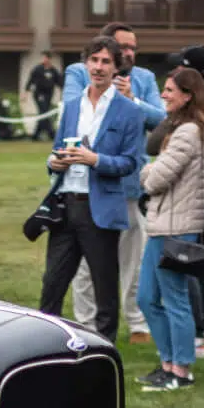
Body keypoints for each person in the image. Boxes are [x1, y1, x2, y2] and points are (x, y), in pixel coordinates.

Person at [41, 35, 146, 341]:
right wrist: (54, 161)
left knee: (105, 288)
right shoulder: (72, 107)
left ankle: (104, 350)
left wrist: (95, 160)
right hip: (65, 204)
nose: (99, 67)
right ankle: (46, 346)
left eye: (106, 62)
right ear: (86, 63)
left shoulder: (130, 112)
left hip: (100, 208)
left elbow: (130, 163)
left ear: (116, 69)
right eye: (94, 60)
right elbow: (56, 150)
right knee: (52, 284)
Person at [65, 22, 165, 342]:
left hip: (128, 180)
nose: (129, 53)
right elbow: (69, 113)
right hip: (88, 184)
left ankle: (135, 321)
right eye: (123, 48)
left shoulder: (145, 79)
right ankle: (86, 322)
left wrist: (131, 101)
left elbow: (161, 120)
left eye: (133, 47)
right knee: (86, 262)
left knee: (133, 257)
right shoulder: (79, 72)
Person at [135, 67, 204, 392]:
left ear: (187, 95)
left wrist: (147, 169)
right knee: (146, 298)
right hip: (163, 226)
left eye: (169, 90)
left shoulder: (188, 133)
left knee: (174, 299)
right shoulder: (184, 128)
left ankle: (180, 370)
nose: (164, 95)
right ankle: (168, 361)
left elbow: (155, 180)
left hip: (175, 229)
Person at [159, 45, 204, 356]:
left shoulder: (203, 107)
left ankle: (201, 330)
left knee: (188, 265)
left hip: (198, 194)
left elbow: (156, 143)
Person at [26, 52, 61, 141]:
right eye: (43, 58)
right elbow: (31, 81)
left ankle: (35, 135)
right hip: (39, 94)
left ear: (49, 59)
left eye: (46, 58)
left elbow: (59, 82)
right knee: (44, 112)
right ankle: (51, 134)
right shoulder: (38, 69)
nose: (44, 60)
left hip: (49, 95)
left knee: (43, 113)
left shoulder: (53, 70)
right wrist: (26, 93)